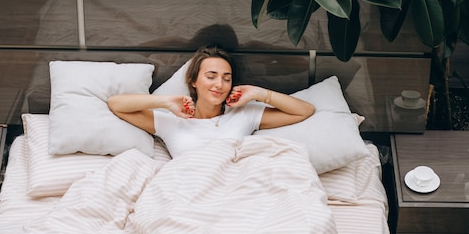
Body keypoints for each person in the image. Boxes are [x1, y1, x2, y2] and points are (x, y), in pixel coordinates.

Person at [107, 45, 315, 158]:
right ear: (193, 81)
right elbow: (116, 104)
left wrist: (259, 93)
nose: (219, 84)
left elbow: (304, 111)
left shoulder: (244, 114)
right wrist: (165, 101)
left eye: (227, 78)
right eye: (211, 76)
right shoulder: (171, 121)